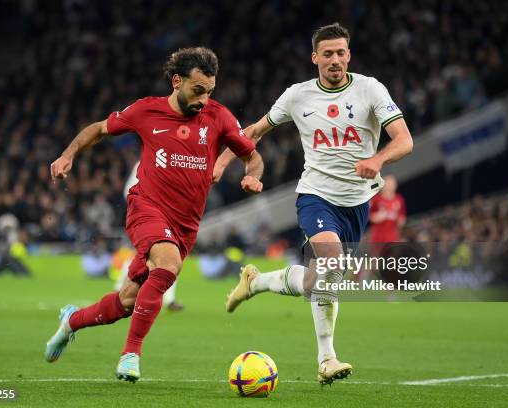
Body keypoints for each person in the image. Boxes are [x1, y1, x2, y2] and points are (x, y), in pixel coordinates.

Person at [45, 47, 264, 382]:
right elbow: (101, 128)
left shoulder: (218, 116)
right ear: (177, 81)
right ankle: (131, 354)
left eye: (209, 92)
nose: (204, 100)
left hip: (186, 225)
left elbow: (252, 155)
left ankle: (71, 321)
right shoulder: (147, 110)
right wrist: (68, 154)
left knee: (128, 301)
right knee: (168, 264)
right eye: (197, 90)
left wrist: (253, 175)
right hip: (146, 207)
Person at [214, 23, 413, 385]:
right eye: (327, 54)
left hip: (357, 203)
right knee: (332, 263)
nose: (335, 60)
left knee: (313, 282)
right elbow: (253, 132)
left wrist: (378, 160)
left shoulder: (370, 89)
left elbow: (404, 141)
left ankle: (255, 283)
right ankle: (327, 359)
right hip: (315, 196)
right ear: (315, 58)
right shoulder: (297, 95)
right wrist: (224, 163)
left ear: (349, 55)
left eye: (340, 53)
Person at [119, 161, 185, 311]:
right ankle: (121, 288)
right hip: (143, 217)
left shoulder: (172, 162)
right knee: (141, 255)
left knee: (172, 256)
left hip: (165, 217)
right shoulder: (142, 164)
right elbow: (127, 191)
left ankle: (169, 300)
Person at [369, 175, 407, 243]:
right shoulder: (377, 199)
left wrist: (400, 222)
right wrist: (377, 217)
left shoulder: (399, 199)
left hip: (393, 237)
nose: (390, 186)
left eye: (392, 184)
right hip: (378, 238)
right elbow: (369, 215)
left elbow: (402, 217)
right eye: (388, 184)